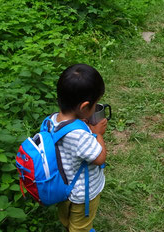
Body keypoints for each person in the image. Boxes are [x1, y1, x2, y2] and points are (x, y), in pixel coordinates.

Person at [55, 63, 107, 232]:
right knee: (80, 227)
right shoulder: (80, 136)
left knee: (67, 219)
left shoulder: (52, 121)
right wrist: (98, 134)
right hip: (82, 195)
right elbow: (100, 159)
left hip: (62, 188)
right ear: (84, 107)